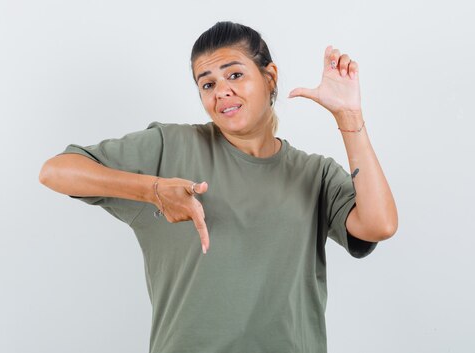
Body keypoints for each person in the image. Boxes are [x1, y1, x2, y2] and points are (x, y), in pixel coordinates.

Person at [39, 21, 398, 353]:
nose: (221, 91)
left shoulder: (314, 173)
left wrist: (348, 117)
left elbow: (379, 225)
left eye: (235, 75)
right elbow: (56, 171)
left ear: (269, 78)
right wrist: (152, 189)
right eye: (207, 83)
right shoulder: (169, 147)